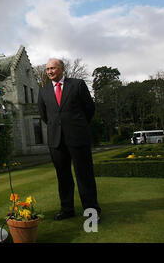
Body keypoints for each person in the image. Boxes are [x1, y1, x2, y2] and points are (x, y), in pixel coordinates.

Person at [38, 58, 101, 222]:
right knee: (63, 176)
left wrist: (76, 126)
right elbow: (44, 116)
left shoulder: (78, 84)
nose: (50, 71)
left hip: (78, 137)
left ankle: (92, 212)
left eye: (53, 68)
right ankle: (67, 209)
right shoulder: (43, 91)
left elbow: (89, 109)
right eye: (47, 69)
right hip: (56, 140)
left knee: (84, 176)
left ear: (62, 69)